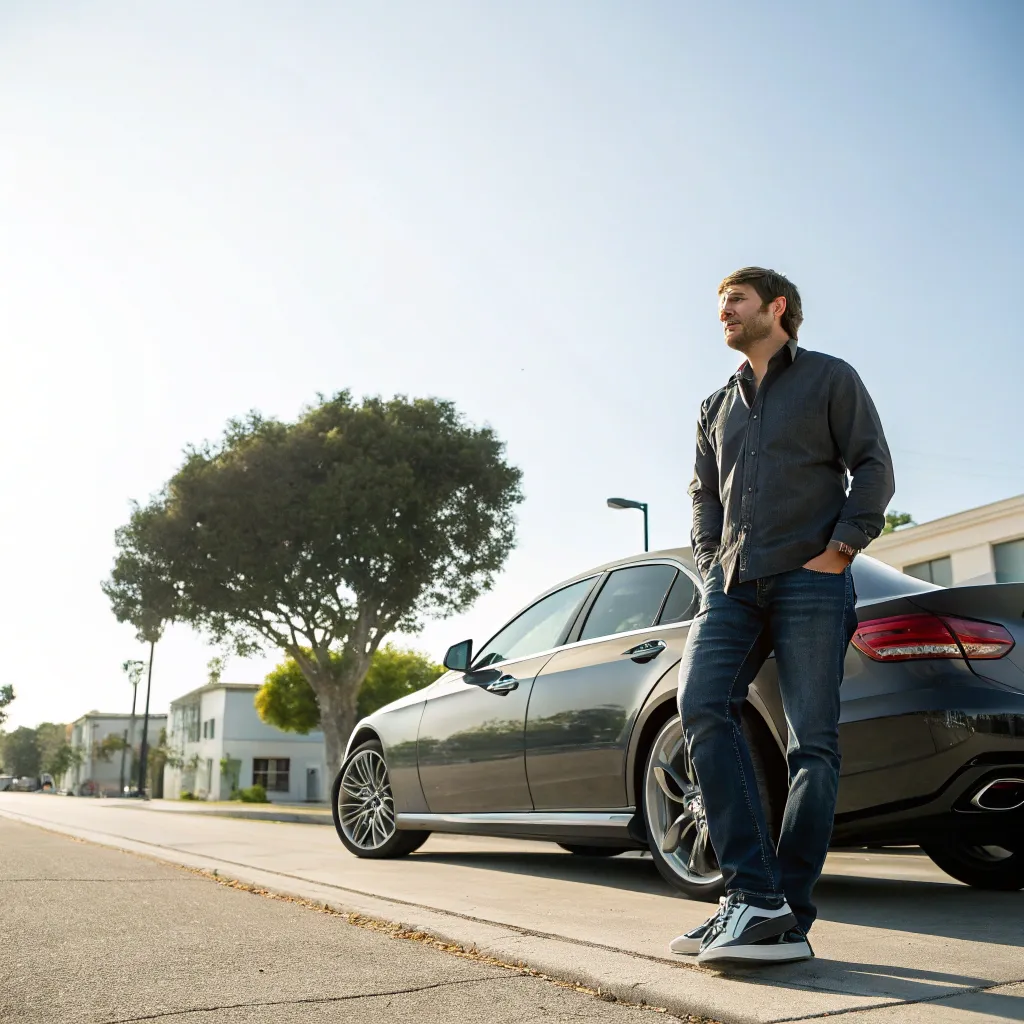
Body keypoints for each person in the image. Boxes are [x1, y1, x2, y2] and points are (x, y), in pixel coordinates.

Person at [670, 267, 894, 965]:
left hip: (811, 583)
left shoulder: (830, 378)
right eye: (720, 305)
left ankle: (784, 914)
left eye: (735, 301)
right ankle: (751, 895)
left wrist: (843, 547)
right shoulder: (714, 405)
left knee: (812, 747)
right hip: (732, 585)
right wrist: (710, 565)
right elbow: (703, 494)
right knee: (701, 703)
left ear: (777, 307)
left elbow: (874, 465)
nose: (724, 315)